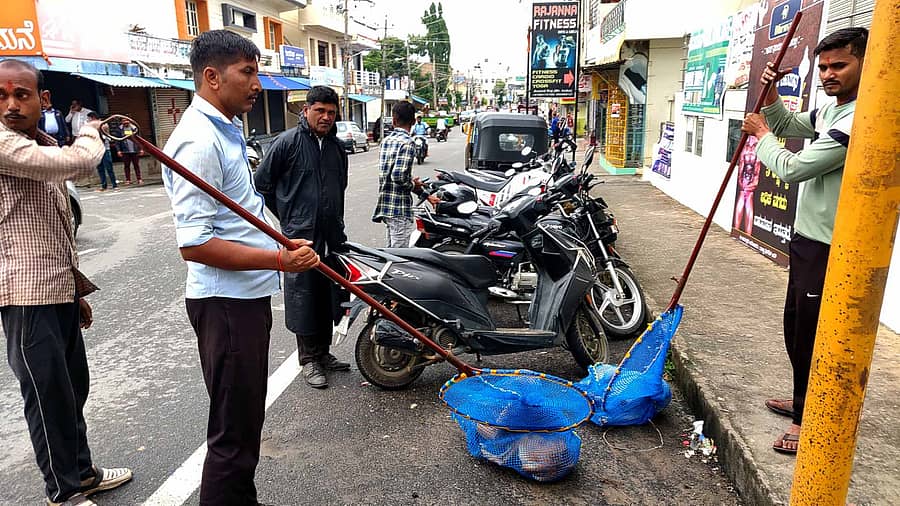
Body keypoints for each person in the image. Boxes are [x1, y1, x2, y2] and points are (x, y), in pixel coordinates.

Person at [161, 31, 320, 505]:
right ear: (212, 76)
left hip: (244, 299)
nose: (257, 83)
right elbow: (196, 243)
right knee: (233, 432)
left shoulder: (224, 131)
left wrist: (280, 240)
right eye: (247, 72)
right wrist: (278, 259)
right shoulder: (199, 140)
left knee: (246, 419)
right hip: (224, 304)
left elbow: (238, 213)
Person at [0, 58, 133, 506]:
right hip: (22, 297)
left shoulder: (36, 144)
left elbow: (54, 228)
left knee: (73, 388)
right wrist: (92, 130)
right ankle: (65, 493)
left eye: (21, 94)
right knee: (47, 397)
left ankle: (82, 473)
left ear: (44, 99)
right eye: (0, 96)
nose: (11, 105)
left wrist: (75, 291)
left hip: (55, 289)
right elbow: (80, 161)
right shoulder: (7, 145)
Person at [741, 27, 867, 455]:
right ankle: (803, 400)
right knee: (796, 328)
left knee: (812, 334)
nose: (829, 74)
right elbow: (791, 124)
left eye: (840, 65)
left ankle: (804, 420)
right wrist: (772, 92)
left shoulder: (857, 120)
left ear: (866, 64)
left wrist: (760, 136)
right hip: (807, 238)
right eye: (824, 66)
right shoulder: (834, 110)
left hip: (832, 246)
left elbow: (794, 168)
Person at [254, 86, 351, 390]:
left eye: (331, 112)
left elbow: (341, 187)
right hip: (301, 238)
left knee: (328, 294)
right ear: (306, 110)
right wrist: (288, 220)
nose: (326, 117)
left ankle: (323, 353)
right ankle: (309, 359)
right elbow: (261, 186)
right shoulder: (287, 143)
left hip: (332, 236)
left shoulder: (336, 148)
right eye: (320, 110)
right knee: (304, 298)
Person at [372, 101, 439, 247]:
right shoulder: (407, 143)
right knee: (399, 255)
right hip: (399, 208)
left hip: (387, 205)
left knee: (392, 251)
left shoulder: (386, 140)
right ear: (414, 121)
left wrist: (425, 195)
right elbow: (398, 177)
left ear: (394, 120)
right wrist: (413, 183)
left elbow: (395, 176)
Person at [732, 136, 760, 234]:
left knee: (748, 202)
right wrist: (742, 184)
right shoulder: (745, 154)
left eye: (754, 146)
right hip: (744, 183)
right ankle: (736, 229)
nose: (750, 149)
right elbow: (741, 169)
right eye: (748, 146)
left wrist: (750, 186)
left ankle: (748, 234)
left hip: (750, 185)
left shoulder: (757, 157)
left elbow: (756, 175)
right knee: (741, 200)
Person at [86, 111, 118, 191]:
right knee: (100, 168)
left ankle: (114, 184)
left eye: (89, 118)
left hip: (104, 149)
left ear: (93, 117)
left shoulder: (103, 124)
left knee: (108, 167)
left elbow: (106, 136)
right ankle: (104, 185)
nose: (88, 120)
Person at [116, 118, 143, 184]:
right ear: (122, 122)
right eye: (124, 121)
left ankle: (139, 179)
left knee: (136, 165)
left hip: (135, 150)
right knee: (126, 166)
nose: (126, 122)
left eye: (127, 121)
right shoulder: (119, 130)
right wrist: (118, 150)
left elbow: (140, 139)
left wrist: (141, 149)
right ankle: (128, 180)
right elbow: (117, 141)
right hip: (125, 151)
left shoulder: (134, 128)